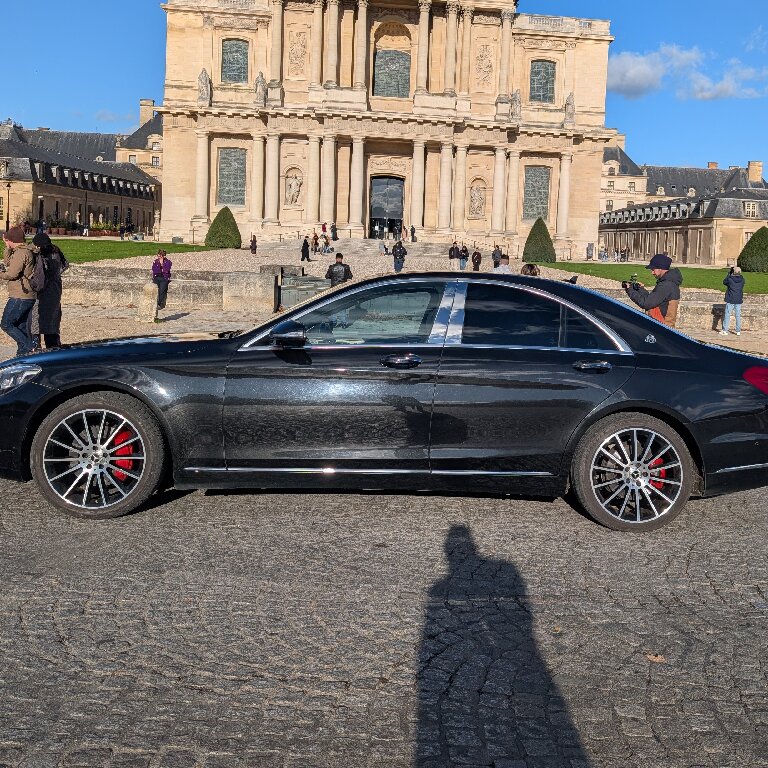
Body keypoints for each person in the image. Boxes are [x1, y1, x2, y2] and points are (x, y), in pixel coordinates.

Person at [0, 226, 38, 356]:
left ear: (11, 239)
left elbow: (12, 274)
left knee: (6, 324)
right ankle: (23, 354)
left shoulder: (22, 253)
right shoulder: (22, 251)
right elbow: (9, 262)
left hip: (21, 295)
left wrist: (1, 274)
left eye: (7, 240)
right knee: (20, 326)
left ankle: (29, 347)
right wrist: (7, 247)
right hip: (26, 295)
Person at [30, 233, 68, 349]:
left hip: (41, 294)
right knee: (51, 326)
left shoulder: (41, 257)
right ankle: (53, 350)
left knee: (35, 324)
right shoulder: (56, 253)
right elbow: (64, 265)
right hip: (54, 292)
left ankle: (36, 350)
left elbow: (39, 278)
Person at [624, 253, 683, 328]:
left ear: (660, 268)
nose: (652, 272)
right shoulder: (670, 284)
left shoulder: (666, 286)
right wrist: (640, 289)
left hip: (661, 329)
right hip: (664, 328)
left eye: (653, 269)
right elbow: (652, 300)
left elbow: (645, 303)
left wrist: (629, 289)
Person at [721, 266, 745, 336]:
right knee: (737, 315)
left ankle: (725, 330)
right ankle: (738, 331)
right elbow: (740, 279)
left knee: (727, 314)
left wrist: (729, 274)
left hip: (730, 299)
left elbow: (724, 282)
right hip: (738, 299)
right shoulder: (742, 280)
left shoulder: (730, 279)